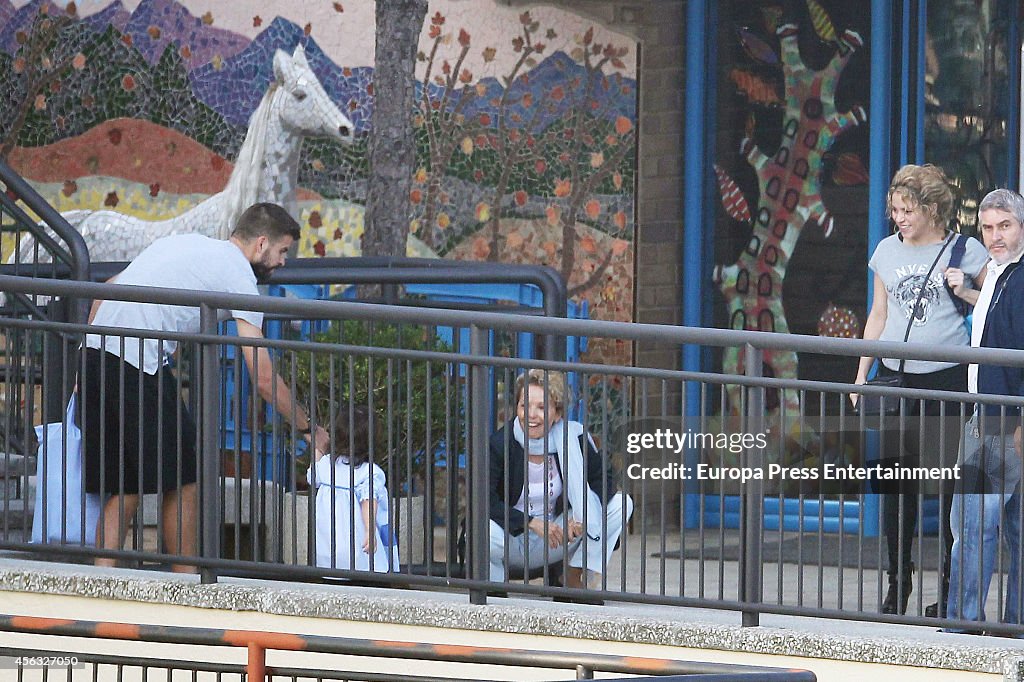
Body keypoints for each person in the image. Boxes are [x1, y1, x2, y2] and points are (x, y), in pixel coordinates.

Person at [82, 202, 329, 572]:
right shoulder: (239, 278)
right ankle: (187, 580)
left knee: (127, 484)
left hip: (97, 354)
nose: (283, 262)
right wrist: (309, 427)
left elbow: (108, 288)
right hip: (136, 361)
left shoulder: (186, 244)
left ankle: (100, 579)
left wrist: (81, 363)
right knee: (185, 477)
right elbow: (261, 377)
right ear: (261, 244)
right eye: (282, 251)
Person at [853, 164, 988, 615]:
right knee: (895, 483)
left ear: (931, 208)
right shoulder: (886, 251)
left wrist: (966, 291)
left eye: (907, 210)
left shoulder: (963, 249)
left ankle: (950, 586)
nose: (899, 219)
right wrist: (860, 376)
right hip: (898, 379)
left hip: (948, 379)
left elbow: (993, 303)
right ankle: (898, 580)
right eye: (895, 210)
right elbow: (878, 314)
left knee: (950, 486)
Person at [945, 188, 1024, 628]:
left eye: (1004, 226)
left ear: (1022, 228)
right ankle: (1012, 625)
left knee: (974, 528)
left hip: (1002, 420)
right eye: (988, 227)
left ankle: (964, 624)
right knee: (1004, 529)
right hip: (988, 413)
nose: (995, 235)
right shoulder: (997, 273)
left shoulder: (1019, 276)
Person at [488, 369, 633, 589]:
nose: (531, 415)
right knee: (483, 530)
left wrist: (580, 519)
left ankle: (572, 574)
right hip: (512, 539)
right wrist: (530, 522)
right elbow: (484, 500)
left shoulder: (573, 438)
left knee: (622, 504)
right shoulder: (501, 444)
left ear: (557, 413)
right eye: (524, 406)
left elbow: (603, 480)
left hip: (557, 538)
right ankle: (493, 585)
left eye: (542, 407)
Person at [307, 404, 398, 573]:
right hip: (359, 549)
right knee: (368, 568)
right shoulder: (369, 471)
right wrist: (370, 531)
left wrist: (318, 447)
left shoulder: (327, 465)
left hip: (330, 551)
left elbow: (313, 477)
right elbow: (368, 501)